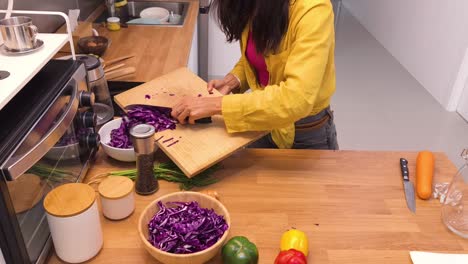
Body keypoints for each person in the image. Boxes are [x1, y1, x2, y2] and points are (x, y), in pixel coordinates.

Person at [171, 0, 338, 150]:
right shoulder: (255, 5)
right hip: (263, 120)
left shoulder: (314, 10)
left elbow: (296, 99)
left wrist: (217, 105)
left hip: (305, 133)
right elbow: (258, 56)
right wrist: (232, 81)